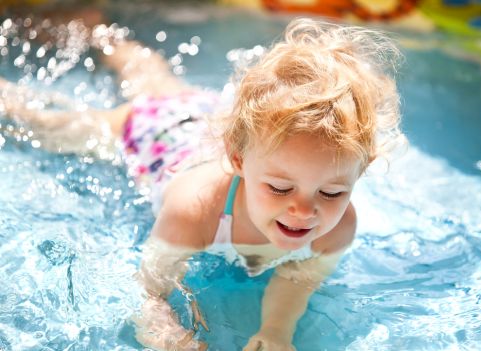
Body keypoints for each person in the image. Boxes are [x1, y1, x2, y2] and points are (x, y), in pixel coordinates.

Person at [0, 12, 403, 351]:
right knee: (46, 126)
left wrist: (276, 330)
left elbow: (298, 279)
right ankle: (88, 41)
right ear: (238, 160)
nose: (304, 210)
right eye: (280, 188)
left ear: (360, 171)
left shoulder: (339, 226)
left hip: (207, 118)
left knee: (155, 79)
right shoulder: (196, 210)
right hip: (157, 133)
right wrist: (170, 337)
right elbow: (146, 289)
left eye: (332, 192)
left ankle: (100, 28)